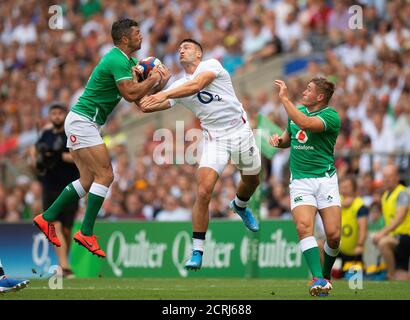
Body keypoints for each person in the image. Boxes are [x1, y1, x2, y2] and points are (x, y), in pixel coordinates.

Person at [33, 18, 171, 257]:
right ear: (125, 38)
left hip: (83, 122)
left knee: (87, 180)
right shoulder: (116, 58)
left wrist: (163, 87)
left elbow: (142, 103)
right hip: (83, 121)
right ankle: (85, 232)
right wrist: (154, 79)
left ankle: (46, 218)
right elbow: (130, 94)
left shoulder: (127, 62)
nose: (142, 36)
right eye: (137, 33)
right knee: (106, 175)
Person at [139, 39, 261, 271]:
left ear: (199, 53)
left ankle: (240, 205)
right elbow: (145, 106)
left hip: (240, 131)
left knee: (252, 179)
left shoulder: (211, 65)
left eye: (187, 47)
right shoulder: (177, 85)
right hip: (214, 139)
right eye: (179, 48)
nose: (181, 49)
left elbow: (196, 86)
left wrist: (164, 93)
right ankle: (197, 250)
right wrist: (145, 85)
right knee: (203, 190)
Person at [269, 78, 341, 296]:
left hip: (325, 179)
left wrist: (284, 99)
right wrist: (279, 142)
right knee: (303, 227)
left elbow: (306, 125)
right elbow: (289, 138)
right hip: (300, 181)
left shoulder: (331, 116)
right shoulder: (298, 112)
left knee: (334, 235)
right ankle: (317, 278)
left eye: (309, 89)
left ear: (320, 97)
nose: (304, 91)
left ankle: (326, 275)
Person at [31, 102, 79, 278]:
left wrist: (58, 154)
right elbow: (37, 161)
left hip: (70, 187)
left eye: (60, 113)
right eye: (54, 113)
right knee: (55, 225)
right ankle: (65, 266)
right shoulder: (45, 136)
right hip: (49, 187)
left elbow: (78, 157)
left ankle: (63, 264)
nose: (57, 116)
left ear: (65, 115)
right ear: (50, 116)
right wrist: (40, 160)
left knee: (67, 229)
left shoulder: (72, 133)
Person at [372, 164, 410, 280]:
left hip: (408, 236)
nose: (386, 180)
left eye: (389, 176)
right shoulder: (385, 195)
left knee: (383, 242)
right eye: (384, 177)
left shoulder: (402, 193)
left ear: (397, 177)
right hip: (398, 237)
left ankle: (390, 275)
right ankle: (396, 274)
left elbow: (399, 218)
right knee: (402, 276)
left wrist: (382, 233)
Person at [337, 175, 368, 278]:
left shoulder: (359, 205)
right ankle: (323, 276)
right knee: (319, 246)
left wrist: (360, 245)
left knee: (354, 284)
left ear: (354, 189)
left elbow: (363, 229)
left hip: (353, 252)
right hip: (337, 249)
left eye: (347, 187)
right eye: (342, 187)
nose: (344, 190)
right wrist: (341, 204)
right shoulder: (336, 201)